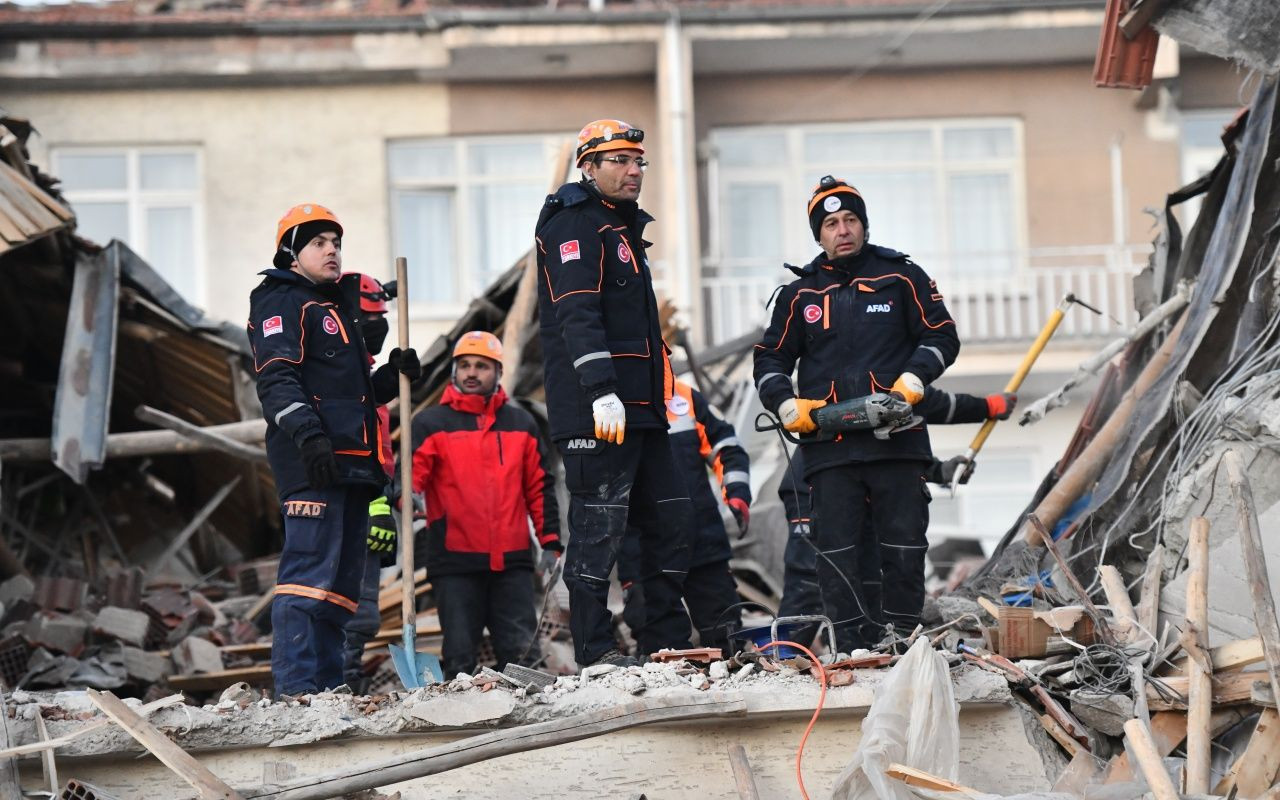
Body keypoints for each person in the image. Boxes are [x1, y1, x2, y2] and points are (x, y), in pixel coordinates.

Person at [753, 176, 960, 652]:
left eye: (850, 220)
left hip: (898, 445)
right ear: (818, 234)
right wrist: (785, 404)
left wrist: (913, 379)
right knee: (838, 556)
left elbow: (942, 335)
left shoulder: (902, 277)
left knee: (904, 549)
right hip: (830, 452)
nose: (842, 230)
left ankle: (906, 645)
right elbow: (770, 359)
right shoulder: (799, 295)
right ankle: (852, 650)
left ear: (863, 226)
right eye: (830, 224)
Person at [534, 118, 695, 668]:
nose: (633, 171)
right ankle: (596, 652)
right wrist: (602, 391)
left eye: (638, 162)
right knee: (597, 533)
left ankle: (664, 644)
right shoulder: (575, 224)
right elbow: (577, 315)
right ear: (589, 167)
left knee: (668, 524)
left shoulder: (620, 229)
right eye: (620, 161)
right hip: (597, 411)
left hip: (642, 410)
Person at [248, 204, 418, 696]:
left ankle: (325, 690)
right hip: (313, 463)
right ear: (291, 252)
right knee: (306, 580)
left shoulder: (332, 309)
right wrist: (308, 435)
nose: (332, 251)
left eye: (336, 243)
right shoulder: (281, 301)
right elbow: (277, 378)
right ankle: (297, 691)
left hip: (353, 467)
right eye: (319, 243)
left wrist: (388, 379)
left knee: (341, 591)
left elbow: (351, 397)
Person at [776, 387, 1016, 647]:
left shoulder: (898, 383)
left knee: (868, 574)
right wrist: (988, 406)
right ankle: (785, 654)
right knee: (812, 571)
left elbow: (895, 452)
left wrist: (938, 469)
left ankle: (857, 650)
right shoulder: (873, 375)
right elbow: (933, 403)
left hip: (863, 492)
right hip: (814, 485)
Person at [408, 330, 561, 677]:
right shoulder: (430, 424)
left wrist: (550, 542)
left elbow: (540, 488)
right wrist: (408, 495)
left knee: (524, 659)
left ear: (498, 373)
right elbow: (411, 478)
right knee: (460, 660)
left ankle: (533, 725)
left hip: (512, 563)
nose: (472, 373)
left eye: (481, 366)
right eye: (464, 365)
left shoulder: (521, 423)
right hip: (455, 563)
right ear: (454, 371)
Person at [618, 378, 751, 653]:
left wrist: (736, 491)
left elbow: (726, 445)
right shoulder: (610, 404)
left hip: (703, 542)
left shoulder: (685, 397)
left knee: (727, 639)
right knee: (661, 650)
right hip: (644, 553)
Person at [336, 272, 398, 692]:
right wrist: (377, 504)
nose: (377, 328)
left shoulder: (365, 376)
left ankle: (349, 680)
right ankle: (334, 684)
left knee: (364, 614)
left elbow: (380, 451)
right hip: (348, 504)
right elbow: (351, 448)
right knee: (344, 607)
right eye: (369, 319)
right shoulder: (337, 376)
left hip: (372, 498)